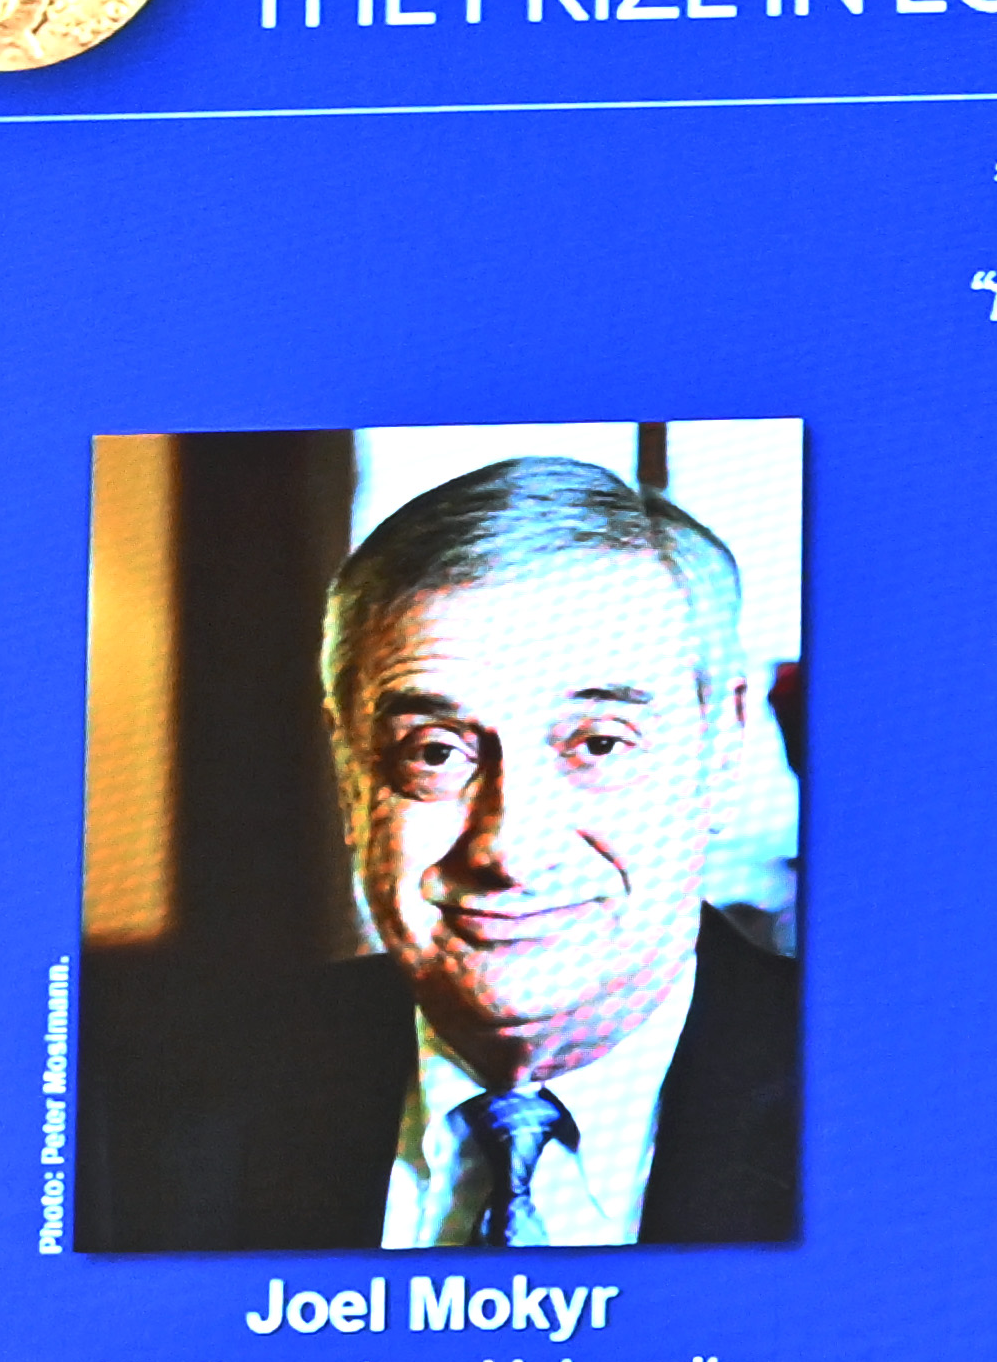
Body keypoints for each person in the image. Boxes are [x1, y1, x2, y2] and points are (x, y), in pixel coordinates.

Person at [75, 452, 805, 1252]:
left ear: (724, 746)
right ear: (350, 772)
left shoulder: (900, 1103)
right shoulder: (136, 1115)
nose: (508, 846)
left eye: (598, 744)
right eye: (433, 753)